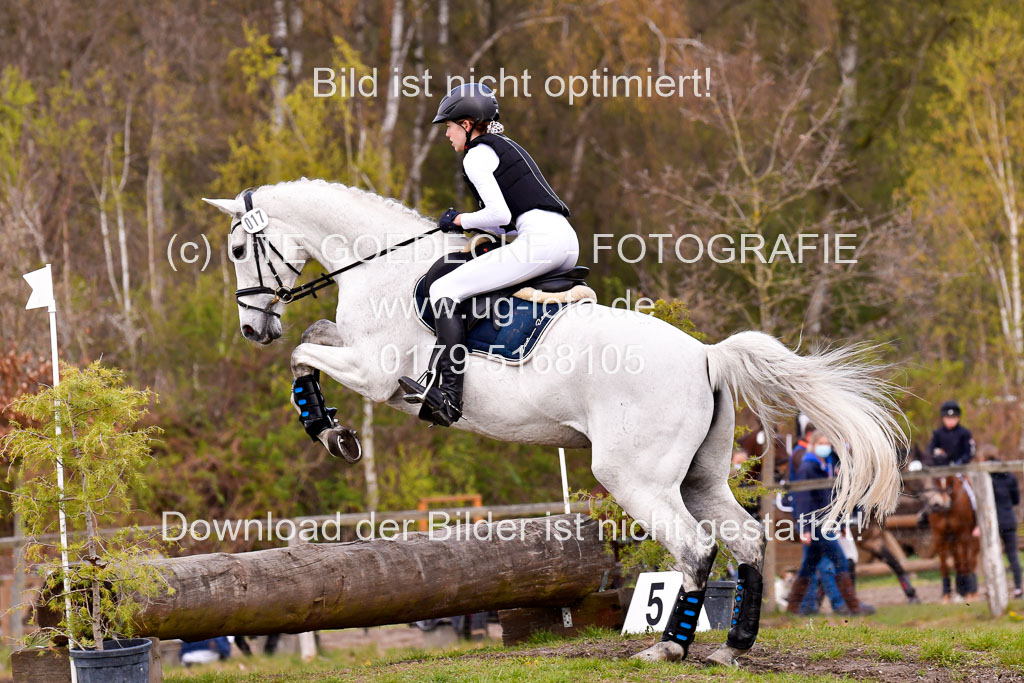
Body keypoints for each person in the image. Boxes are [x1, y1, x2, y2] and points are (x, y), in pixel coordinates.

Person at [398, 83, 579, 427]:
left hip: (540, 241)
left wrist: (459, 219)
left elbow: (498, 215)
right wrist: (474, 230)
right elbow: (508, 220)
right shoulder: (505, 146)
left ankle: (449, 397)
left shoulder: (476, 154)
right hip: (562, 240)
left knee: (442, 290)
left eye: (449, 127)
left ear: (467, 124)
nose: (447, 135)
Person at [787, 432, 875, 615]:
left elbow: (832, 500)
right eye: (821, 442)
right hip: (815, 525)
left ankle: (796, 607)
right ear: (813, 444)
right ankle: (852, 606)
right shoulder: (807, 467)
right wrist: (804, 529)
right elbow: (802, 499)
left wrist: (841, 525)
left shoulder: (826, 465)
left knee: (808, 566)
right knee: (840, 561)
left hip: (826, 523)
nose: (825, 446)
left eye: (827, 443)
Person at [979, 444, 1023, 598]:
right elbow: (1016, 500)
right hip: (1009, 519)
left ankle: (995, 590)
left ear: (983, 458)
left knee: (993, 556)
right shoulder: (1009, 475)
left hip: (992, 522)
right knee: (1013, 556)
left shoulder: (984, 475)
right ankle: (1018, 588)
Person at [925, 400, 975, 466]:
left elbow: (969, 452)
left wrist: (961, 461)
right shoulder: (937, 433)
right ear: (943, 418)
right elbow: (930, 450)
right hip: (941, 468)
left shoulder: (965, 433)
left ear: (958, 418)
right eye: (948, 418)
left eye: (953, 418)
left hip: (961, 468)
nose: (951, 421)